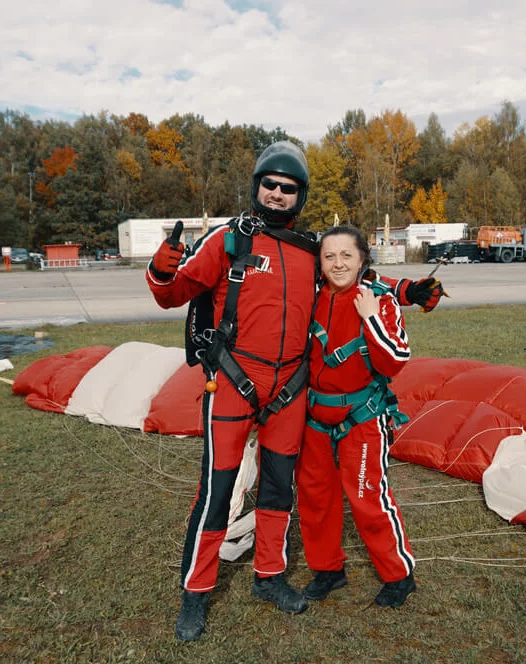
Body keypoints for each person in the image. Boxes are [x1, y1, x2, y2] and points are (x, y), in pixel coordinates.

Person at [146, 141, 444, 642]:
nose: (278, 194)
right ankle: (196, 594)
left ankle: (269, 575)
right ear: (257, 187)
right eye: (271, 185)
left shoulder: (310, 250)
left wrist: (410, 290)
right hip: (235, 384)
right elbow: (171, 293)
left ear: (300, 195)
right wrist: (162, 265)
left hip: (289, 391)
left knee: (279, 489)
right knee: (217, 493)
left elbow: (358, 275)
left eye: (289, 188)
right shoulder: (228, 242)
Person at [295, 225, 416, 609]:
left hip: (362, 417)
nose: (338, 263)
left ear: (363, 258)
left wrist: (370, 318)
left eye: (346, 255)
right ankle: (328, 570)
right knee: (315, 497)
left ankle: (399, 575)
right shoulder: (311, 299)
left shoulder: (378, 300)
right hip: (315, 417)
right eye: (329, 256)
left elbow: (394, 360)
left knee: (366, 495)